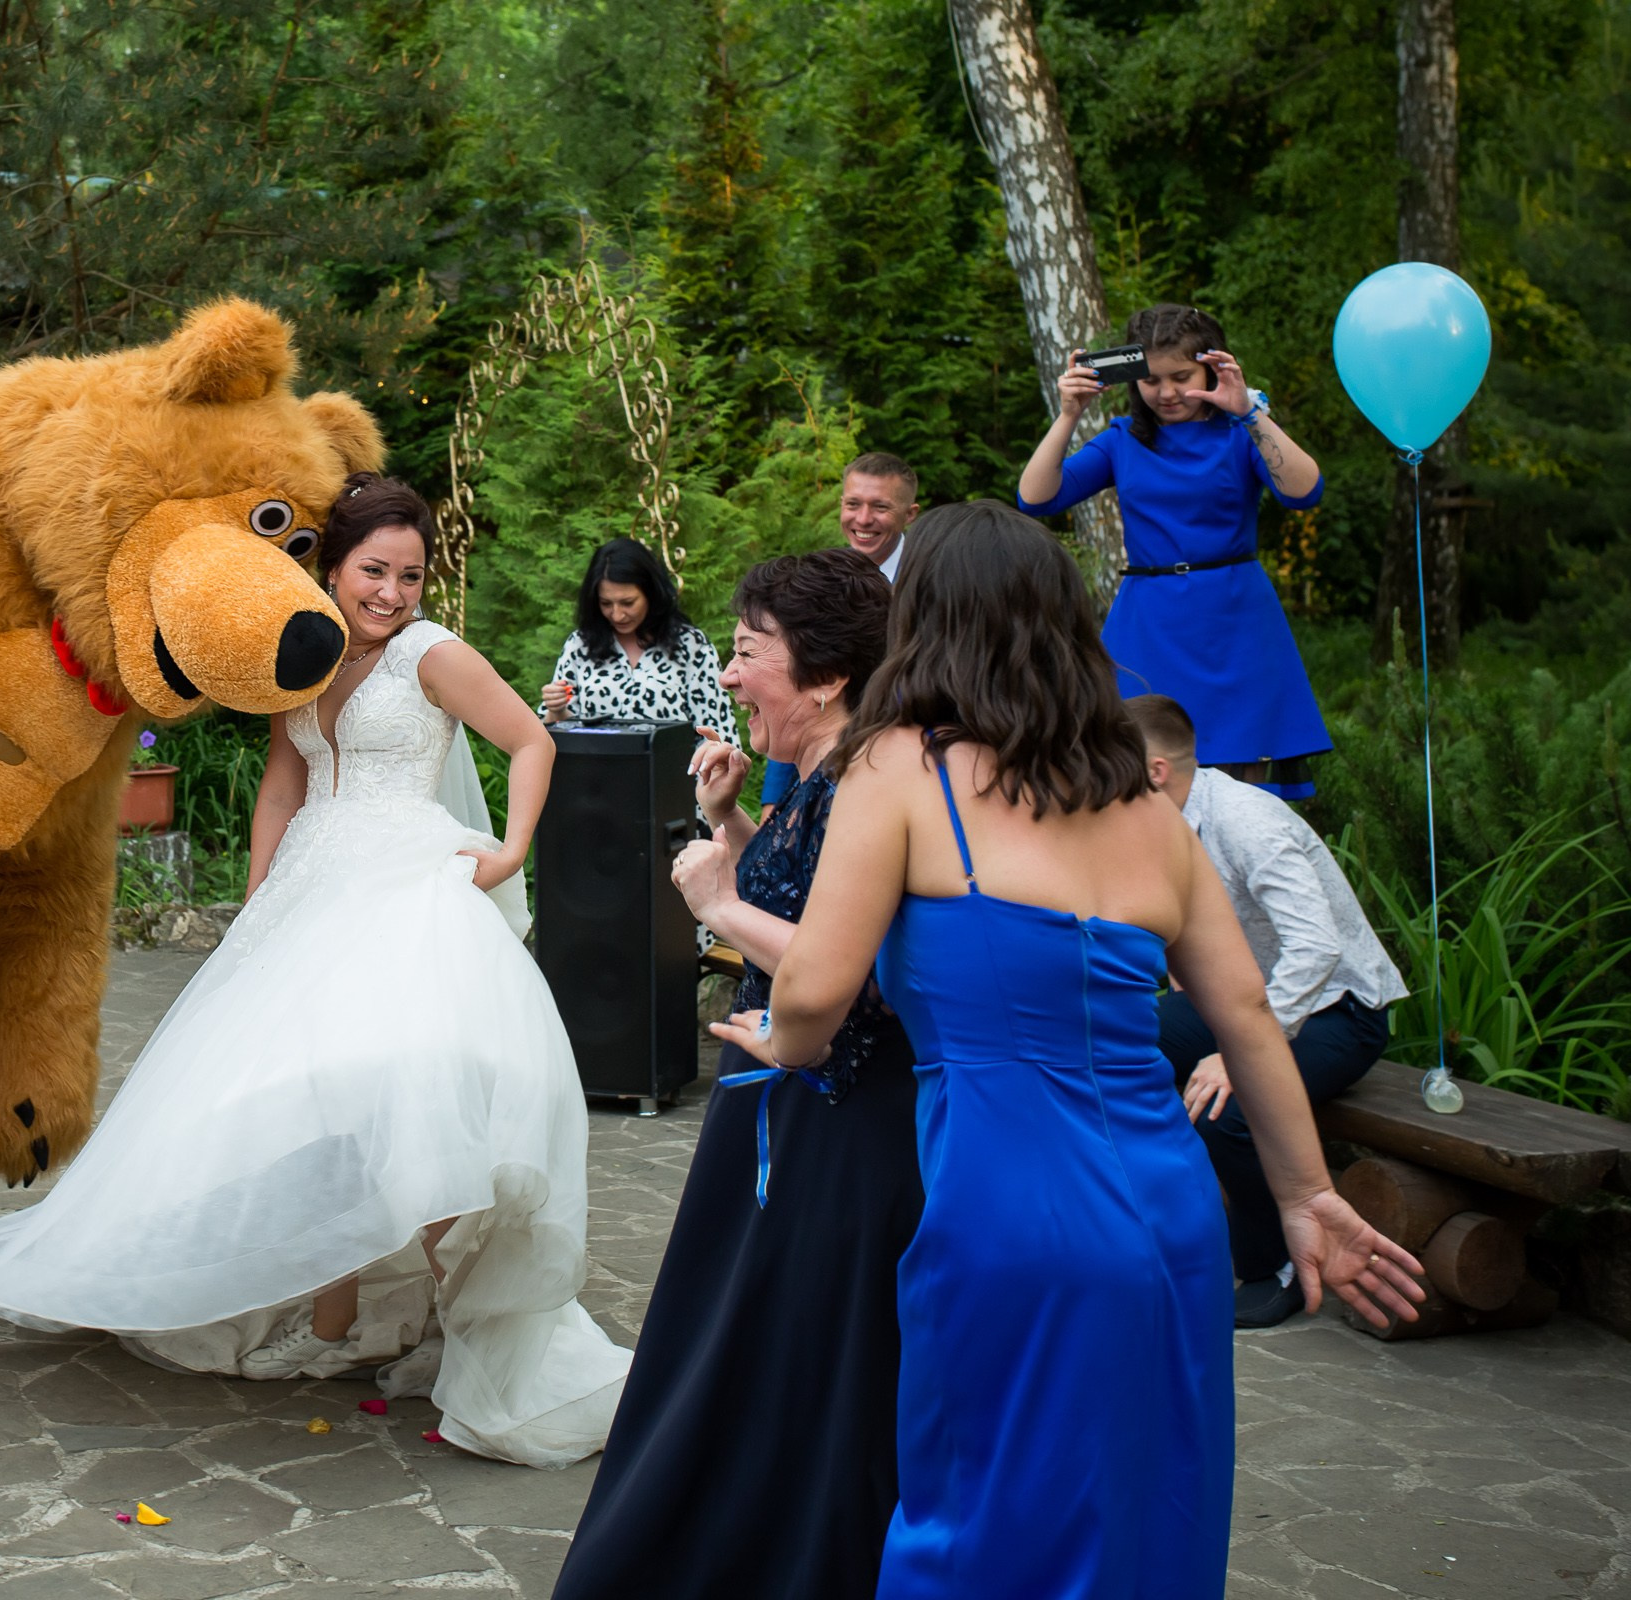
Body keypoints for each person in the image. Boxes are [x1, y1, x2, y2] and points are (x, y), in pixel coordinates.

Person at [715, 501, 1423, 1595]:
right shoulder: (1145, 808)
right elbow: (1245, 1015)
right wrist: (1303, 1194)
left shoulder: (901, 764)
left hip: (1008, 1212)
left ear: (927, 627)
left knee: (977, 1516)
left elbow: (817, 987)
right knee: (1143, 1518)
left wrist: (782, 1034)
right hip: (1170, 1216)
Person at [0, 473, 632, 1469]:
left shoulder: (433, 655)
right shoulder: (304, 655)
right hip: (312, 888)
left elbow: (529, 739)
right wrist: (259, 898)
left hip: (404, 886)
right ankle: (334, 1313)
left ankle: (463, 1310)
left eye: (410, 574)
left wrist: (511, 850)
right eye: (373, 571)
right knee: (315, 1103)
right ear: (332, 568)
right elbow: (283, 782)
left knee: (408, 1091)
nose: (391, 592)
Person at [555, 547, 918, 1600]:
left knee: (792, 1369)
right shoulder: (818, 779)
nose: (726, 673)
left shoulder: (870, 783)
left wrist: (714, 901)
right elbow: (808, 904)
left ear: (828, 678)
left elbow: (846, 974)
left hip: (837, 1125)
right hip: (778, 1109)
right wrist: (729, 825)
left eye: (749, 652)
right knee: (737, 1356)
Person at [1129, 694, 1410, 1329]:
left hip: (1339, 1010)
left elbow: (1316, 947)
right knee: (1126, 1041)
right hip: (1238, 1000)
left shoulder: (1248, 820)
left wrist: (1239, 1054)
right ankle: (1146, 1225)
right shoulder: (1160, 823)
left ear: (1154, 772)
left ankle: (1274, 1265)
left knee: (1231, 1109)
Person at [1017, 303, 1332, 800]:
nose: (1166, 393)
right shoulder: (1123, 439)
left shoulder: (1241, 431)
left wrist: (1250, 412)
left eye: (1181, 376)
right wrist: (1069, 415)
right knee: (1134, 776)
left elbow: (1304, 492)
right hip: (1150, 624)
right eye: (1151, 380)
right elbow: (1035, 498)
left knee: (1239, 788)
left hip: (1235, 624)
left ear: (1212, 365)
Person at [759, 451, 919, 812]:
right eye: (853, 504)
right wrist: (773, 798)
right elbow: (796, 687)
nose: (863, 519)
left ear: (910, 514)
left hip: (905, 775)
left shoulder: (929, 583)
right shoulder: (819, 581)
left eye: (880, 507)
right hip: (820, 774)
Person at [539, 537, 734, 734]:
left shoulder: (691, 645)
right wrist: (556, 710)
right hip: (595, 764)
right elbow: (554, 737)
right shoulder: (580, 645)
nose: (617, 614)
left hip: (674, 765)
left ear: (651, 593)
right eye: (606, 603)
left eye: (628, 602)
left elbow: (718, 731)